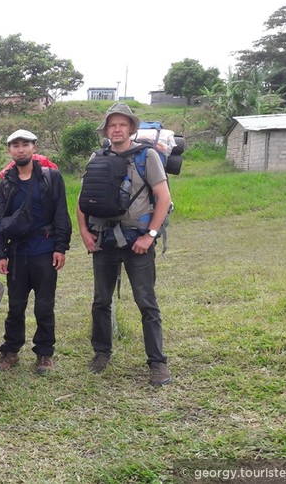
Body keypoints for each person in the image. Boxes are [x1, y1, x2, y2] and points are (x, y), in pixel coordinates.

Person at [76, 102, 173, 386]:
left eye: (122, 125)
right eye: (111, 125)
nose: (116, 130)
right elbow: (84, 199)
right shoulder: (97, 157)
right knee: (100, 301)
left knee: (146, 303)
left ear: (131, 128)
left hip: (137, 242)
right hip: (104, 240)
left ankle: (157, 362)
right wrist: (84, 232)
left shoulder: (147, 156)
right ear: (106, 130)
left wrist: (150, 235)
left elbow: (163, 198)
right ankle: (102, 352)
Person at [0, 129, 71, 375]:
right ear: (9, 151)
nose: (20, 149)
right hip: (17, 253)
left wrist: (60, 247)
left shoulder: (51, 177)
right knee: (16, 305)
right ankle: (10, 351)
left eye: (25, 144)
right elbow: (1, 217)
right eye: (15, 145)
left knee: (44, 305)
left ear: (34, 147)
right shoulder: (6, 181)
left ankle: (44, 354)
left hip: (44, 249)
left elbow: (61, 212)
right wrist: (1, 253)